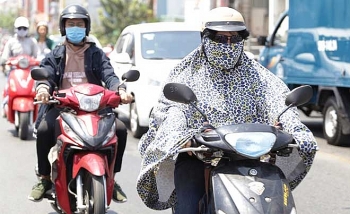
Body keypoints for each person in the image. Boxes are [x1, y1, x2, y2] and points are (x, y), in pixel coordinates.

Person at [136, 7, 319, 213]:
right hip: (199, 157)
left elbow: (277, 100)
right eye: (220, 38)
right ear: (205, 38)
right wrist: (180, 135)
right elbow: (173, 110)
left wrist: (291, 126)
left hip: (250, 158)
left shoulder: (258, 75)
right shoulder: (185, 74)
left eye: (235, 38)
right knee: (187, 207)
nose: (228, 45)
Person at [28, 4, 132, 203]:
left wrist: (120, 90)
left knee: (120, 130)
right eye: (71, 24)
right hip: (63, 107)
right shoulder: (56, 53)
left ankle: (112, 177)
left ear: (86, 28)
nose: (75, 28)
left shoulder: (96, 53)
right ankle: (44, 179)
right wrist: (42, 88)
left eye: (79, 24)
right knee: (44, 130)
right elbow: (46, 74)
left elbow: (109, 75)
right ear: (63, 28)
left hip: (95, 108)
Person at [1, 16, 38, 117]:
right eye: (20, 28)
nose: (22, 30)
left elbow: (37, 56)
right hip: (14, 70)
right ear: (15, 29)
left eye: (24, 28)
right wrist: (4, 61)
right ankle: (5, 103)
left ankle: (38, 106)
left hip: (29, 71)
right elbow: (5, 56)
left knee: (37, 87)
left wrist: (38, 61)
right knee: (8, 86)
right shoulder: (11, 42)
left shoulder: (32, 41)